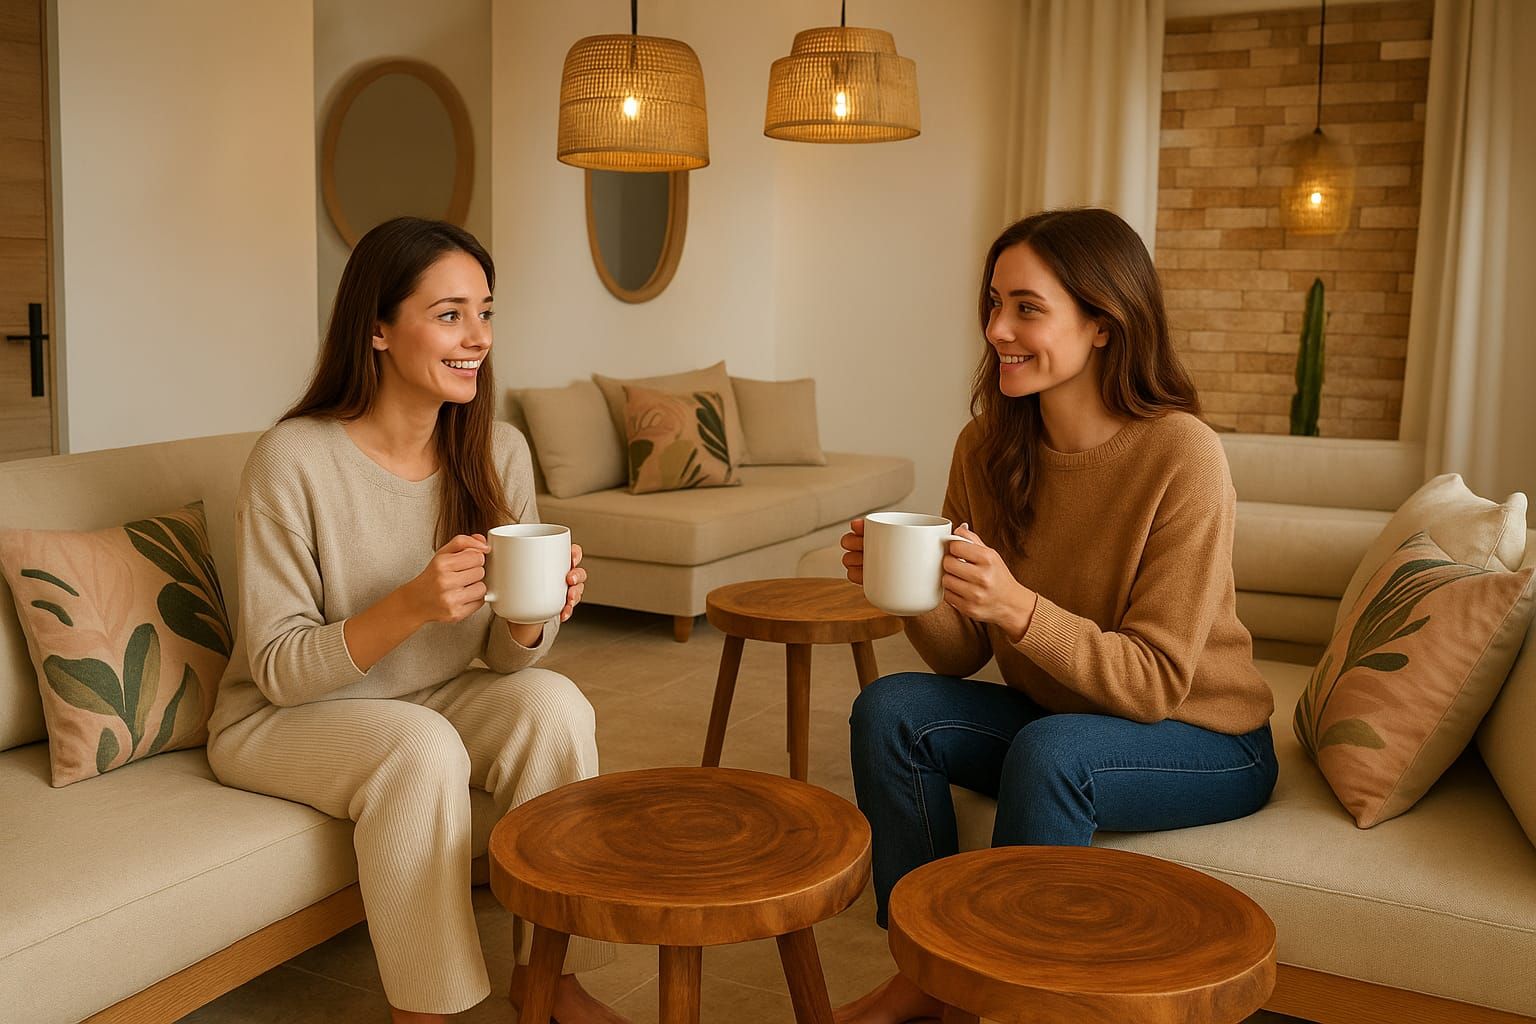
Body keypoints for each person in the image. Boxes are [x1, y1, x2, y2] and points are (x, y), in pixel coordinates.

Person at [834, 208, 1278, 1024]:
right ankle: (928, 973)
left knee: (1050, 752)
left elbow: (1154, 683)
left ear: (1104, 323)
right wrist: (906, 593)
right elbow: (959, 655)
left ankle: (1004, 995)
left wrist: (1019, 606)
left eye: (1027, 308)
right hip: (1063, 710)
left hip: (1205, 736)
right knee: (889, 710)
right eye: (994, 302)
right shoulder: (986, 449)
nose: (997, 328)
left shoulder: (1182, 455)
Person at [207, 217, 625, 1023]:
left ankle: (553, 976)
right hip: (282, 717)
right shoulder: (293, 459)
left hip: (425, 694)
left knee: (557, 707)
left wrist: (535, 621)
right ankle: (430, 1009)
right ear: (376, 327)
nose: (478, 338)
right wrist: (410, 604)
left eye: (487, 312)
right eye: (449, 314)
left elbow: (506, 668)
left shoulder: (497, 451)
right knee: (420, 746)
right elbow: (280, 671)